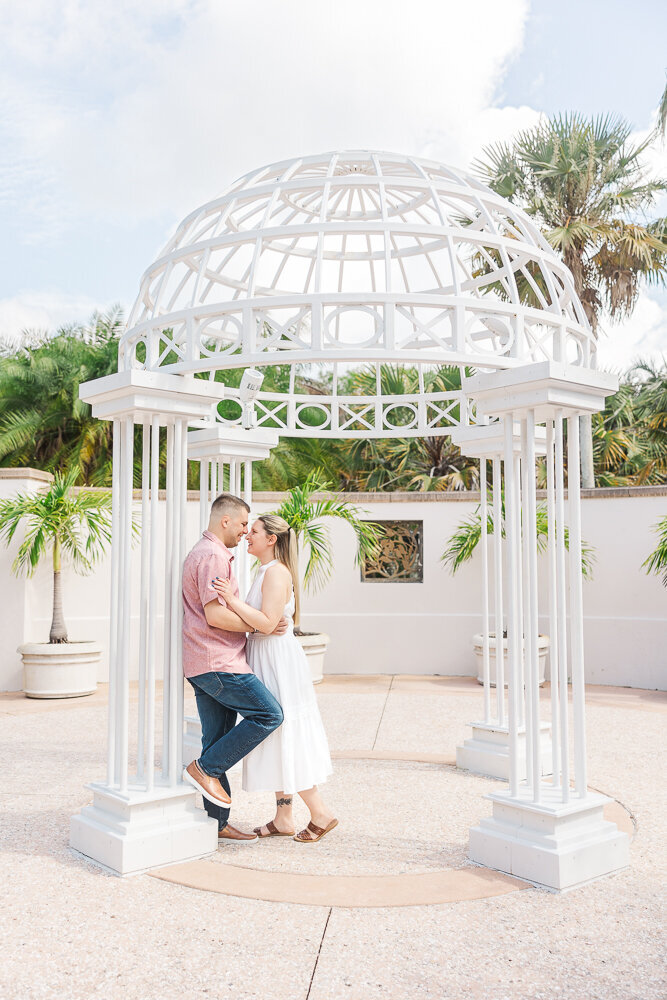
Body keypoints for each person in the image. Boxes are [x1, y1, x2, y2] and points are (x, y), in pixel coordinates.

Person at [213, 514, 337, 843]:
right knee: (277, 735)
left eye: (253, 531)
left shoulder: (276, 573)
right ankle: (284, 816)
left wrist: (233, 600)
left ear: (271, 539)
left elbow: (267, 624)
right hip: (267, 656)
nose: (247, 535)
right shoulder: (265, 571)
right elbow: (268, 621)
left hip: (277, 661)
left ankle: (321, 813)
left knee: (286, 733)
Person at [181, 493, 285, 845]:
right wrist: (259, 627)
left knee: (217, 739)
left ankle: (218, 823)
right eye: (243, 524)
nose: (244, 531)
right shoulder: (212, 556)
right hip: (219, 662)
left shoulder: (206, 552)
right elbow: (215, 615)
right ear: (225, 520)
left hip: (203, 662)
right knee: (269, 714)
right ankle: (204, 769)